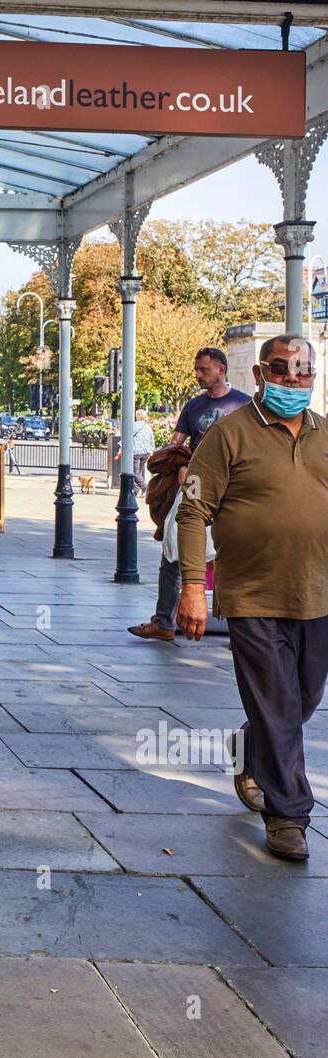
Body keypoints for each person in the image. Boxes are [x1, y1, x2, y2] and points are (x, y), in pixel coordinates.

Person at [177, 334, 328, 861]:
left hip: (318, 593)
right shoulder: (228, 435)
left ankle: (249, 747)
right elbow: (192, 512)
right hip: (252, 595)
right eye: (283, 370)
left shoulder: (324, 435)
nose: (294, 380)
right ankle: (289, 816)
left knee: (301, 701)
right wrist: (193, 587)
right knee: (281, 704)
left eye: (303, 371)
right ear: (262, 374)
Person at [128, 346, 249, 643]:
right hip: (196, 485)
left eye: (203, 370)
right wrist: (181, 464)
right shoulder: (193, 407)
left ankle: (243, 629)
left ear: (221, 369)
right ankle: (163, 621)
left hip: (235, 487)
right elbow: (177, 445)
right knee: (174, 546)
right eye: (196, 370)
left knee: (236, 555)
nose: (198, 376)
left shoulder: (245, 405)